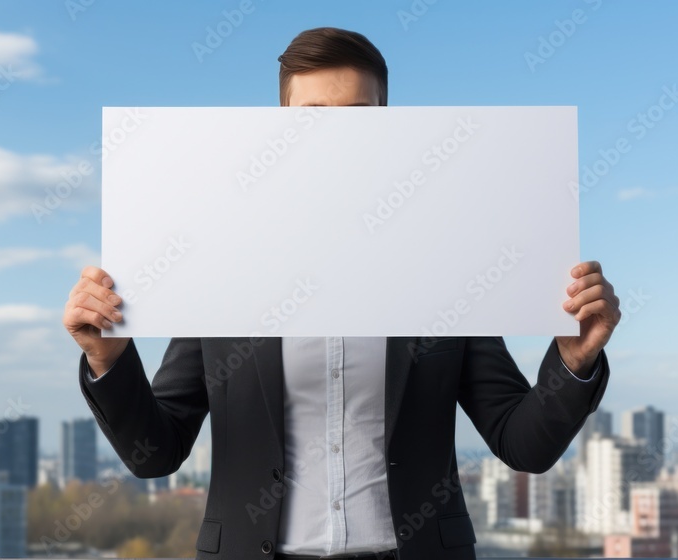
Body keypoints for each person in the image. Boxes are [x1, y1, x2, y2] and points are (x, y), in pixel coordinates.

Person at [64, 27, 620, 560]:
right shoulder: (225, 267)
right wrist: (106, 358)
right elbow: (157, 451)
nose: (336, 140)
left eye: (359, 119)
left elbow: (523, 444)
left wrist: (574, 359)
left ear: (388, 125)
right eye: (313, 120)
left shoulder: (443, 266)